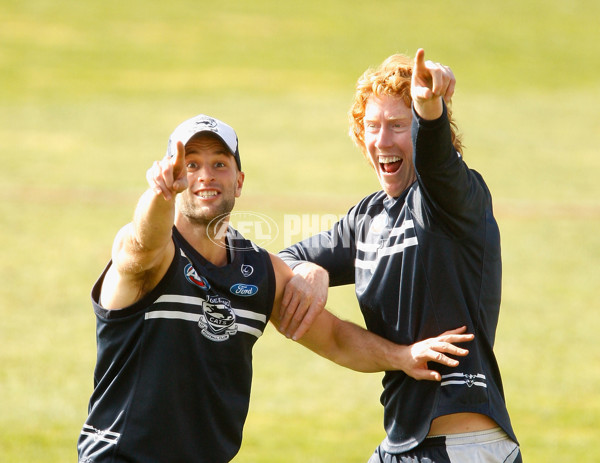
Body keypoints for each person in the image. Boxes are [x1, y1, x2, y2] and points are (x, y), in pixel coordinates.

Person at [76, 113, 475, 463]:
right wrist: (160, 195)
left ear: (239, 180)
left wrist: (402, 355)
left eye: (219, 164)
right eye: (190, 164)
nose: (204, 176)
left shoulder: (258, 270)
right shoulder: (151, 256)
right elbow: (141, 244)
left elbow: (333, 337)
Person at [278, 49, 521, 462]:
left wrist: (429, 109)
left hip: (462, 448)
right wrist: (308, 268)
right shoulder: (368, 217)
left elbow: (438, 162)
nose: (382, 140)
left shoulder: (452, 198)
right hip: (402, 446)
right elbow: (282, 262)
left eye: (397, 125)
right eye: (372, 126)